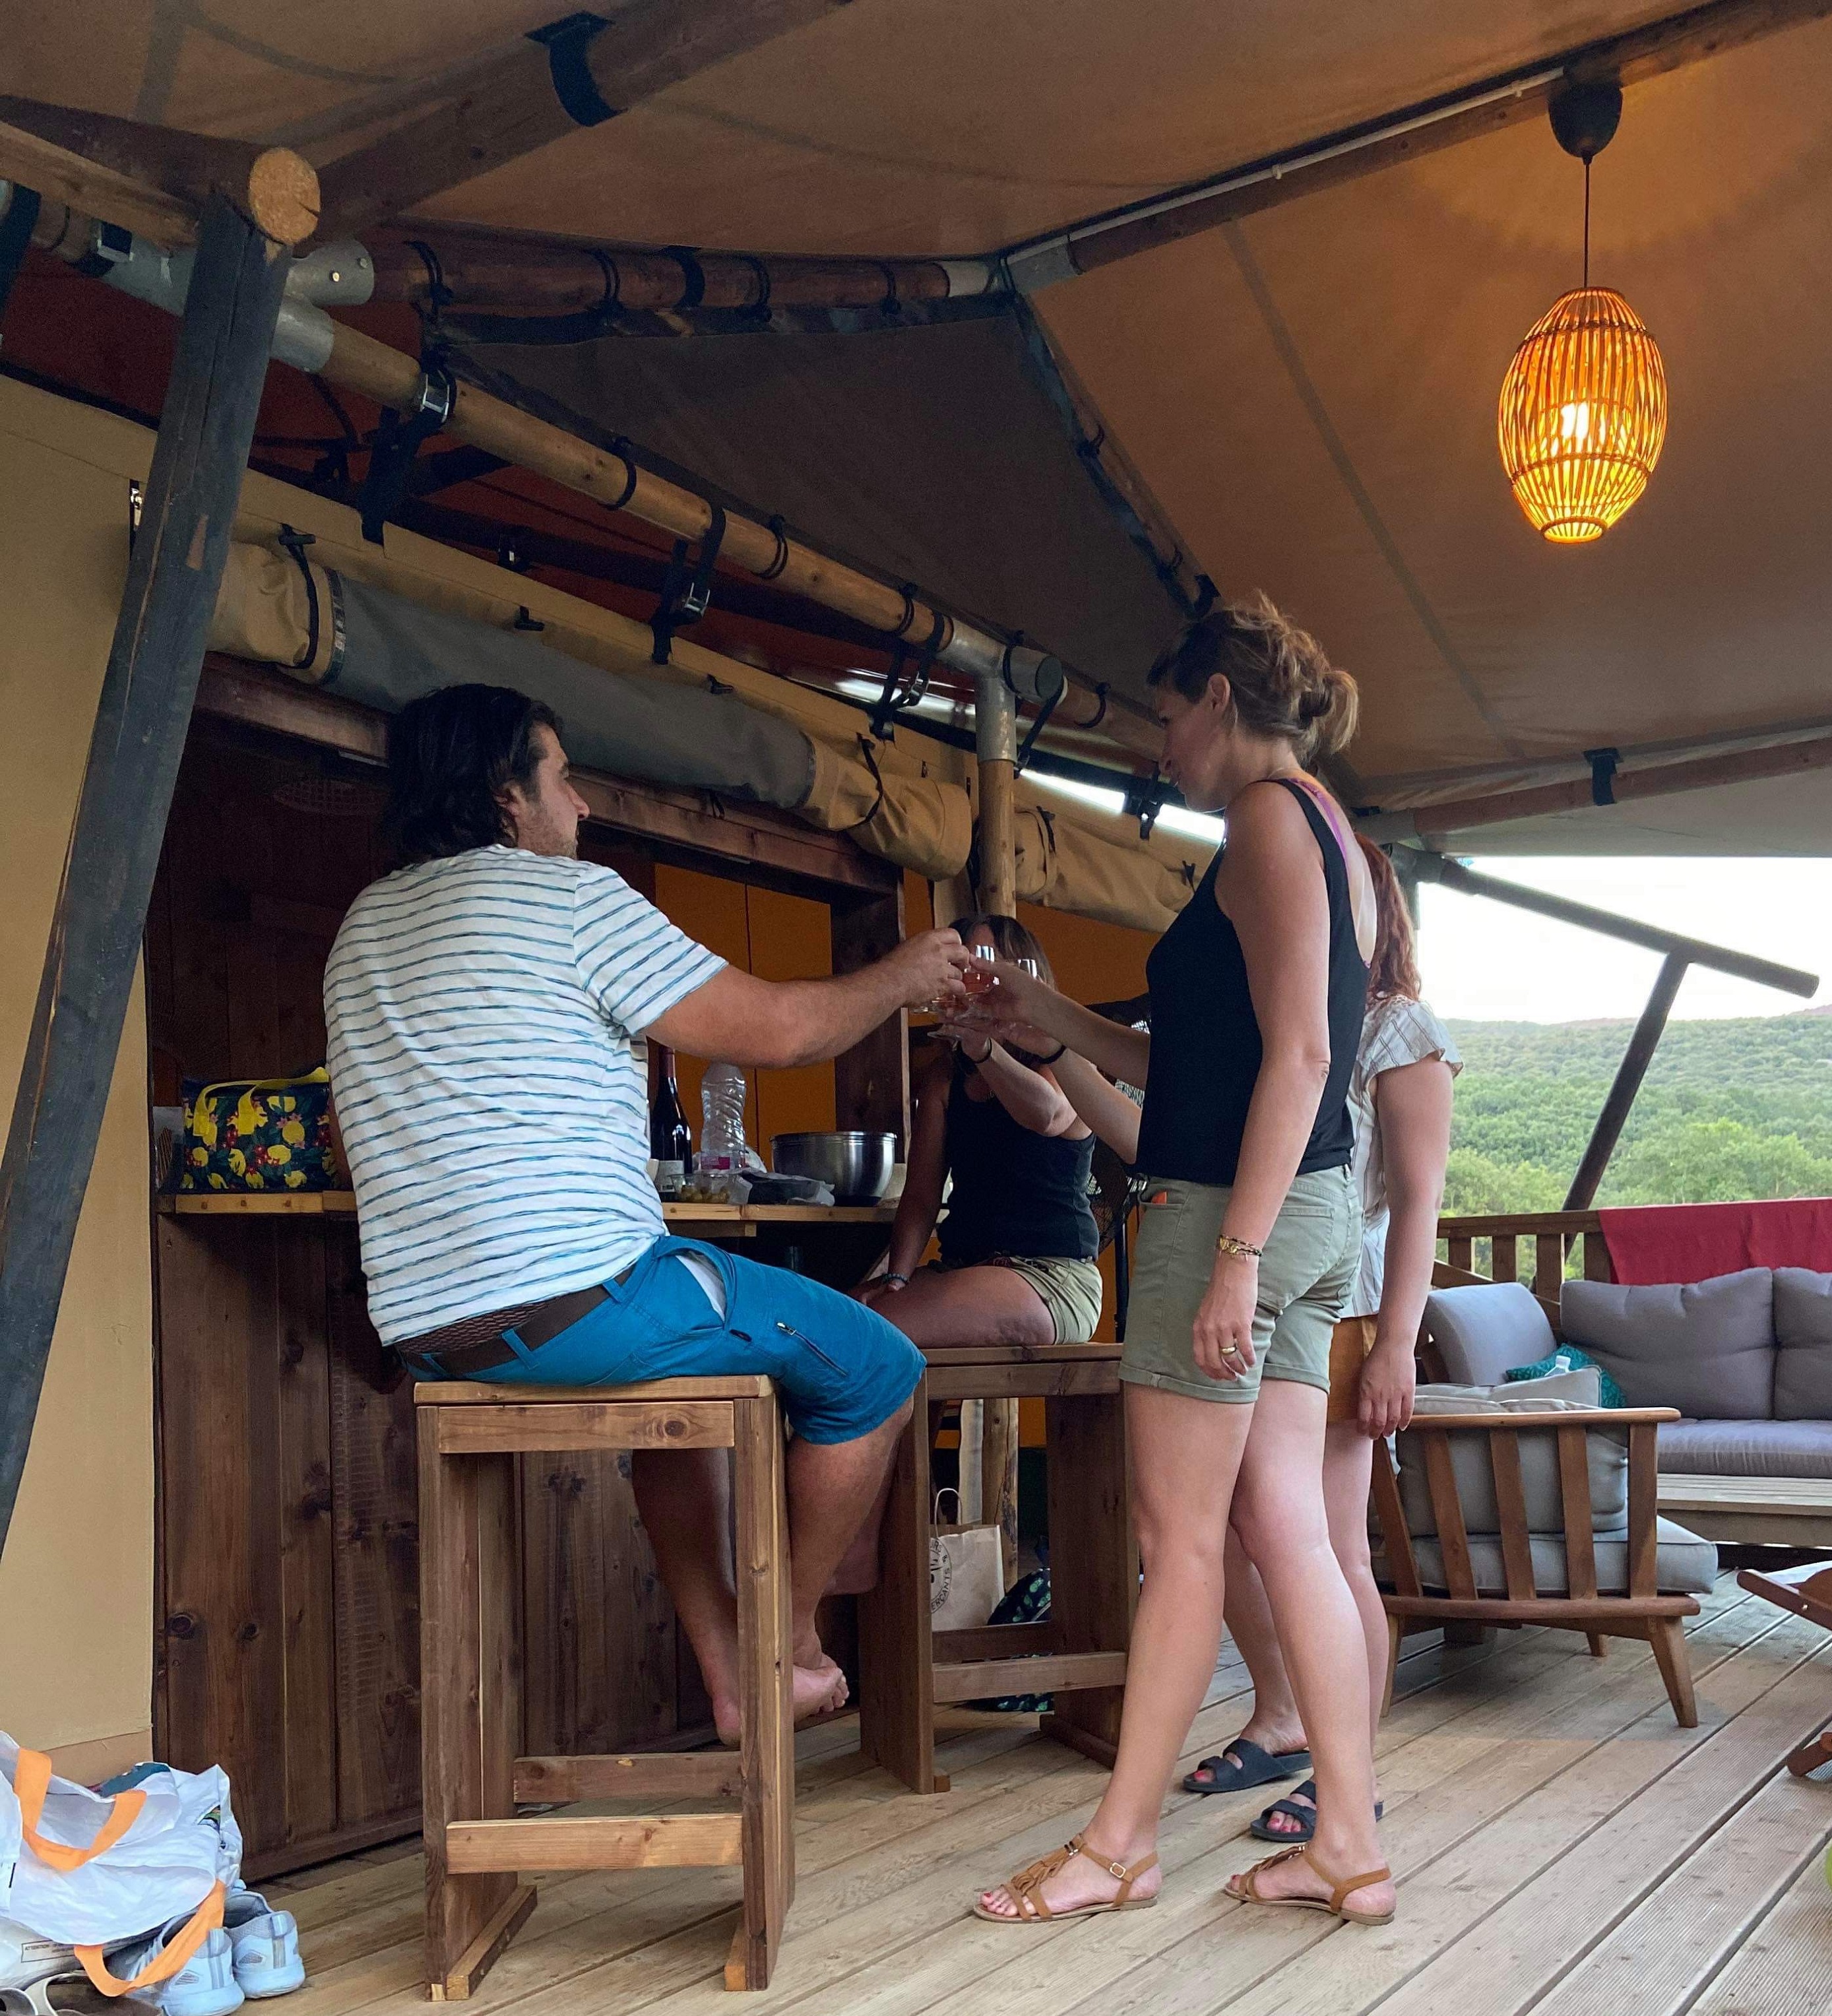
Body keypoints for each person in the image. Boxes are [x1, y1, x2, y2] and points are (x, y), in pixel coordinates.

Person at [323, 684, 973, 1740]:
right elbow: (777, 1030)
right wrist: (900, 975)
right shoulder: (570, 899)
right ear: (505, 797)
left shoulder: (360, 929)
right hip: (584, 1305)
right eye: (563, 778)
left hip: (431, 1336)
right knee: (880, 1367)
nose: (582, 805)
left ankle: (731, 1681)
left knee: (692, 1388)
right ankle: (784, 1648)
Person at [970, 595, 1395, 1929]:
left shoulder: (1266, 818)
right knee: (1288, 1530)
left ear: (1218, 696)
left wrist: (1232, 1257)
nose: (1156, 745)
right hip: (1305, 1209)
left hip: (1233, 1213)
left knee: (1178, 1541)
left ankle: (1118, 1846)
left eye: (1164, 715)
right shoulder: (1325, 828)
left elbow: (1304, 1058)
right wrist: (1044, 1016)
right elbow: (1202, 1060)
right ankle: (1348, 1843)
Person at [1182, 836, 1459, 1844]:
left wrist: (1398, 1344)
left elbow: (1420, 1201)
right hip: (1263, 1301)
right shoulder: (1280, 1022)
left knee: (1332, 1546)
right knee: (1232, 1528)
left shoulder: (1398, 1028)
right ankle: (1282, 1715)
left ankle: (1351, 1775)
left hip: (1348, 1308)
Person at [855, 914, 1108, 1348]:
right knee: (845, 1315)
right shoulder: (945, 1077)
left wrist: (984, 1049)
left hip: (1051, 1275)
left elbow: (1048, 1115)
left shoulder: (1064, 1057)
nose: (969, 977)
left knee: (871, 1332)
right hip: (964, 1267)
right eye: (960, 965)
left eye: (983, 964)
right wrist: (897, 1276)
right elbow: (921, 1194)